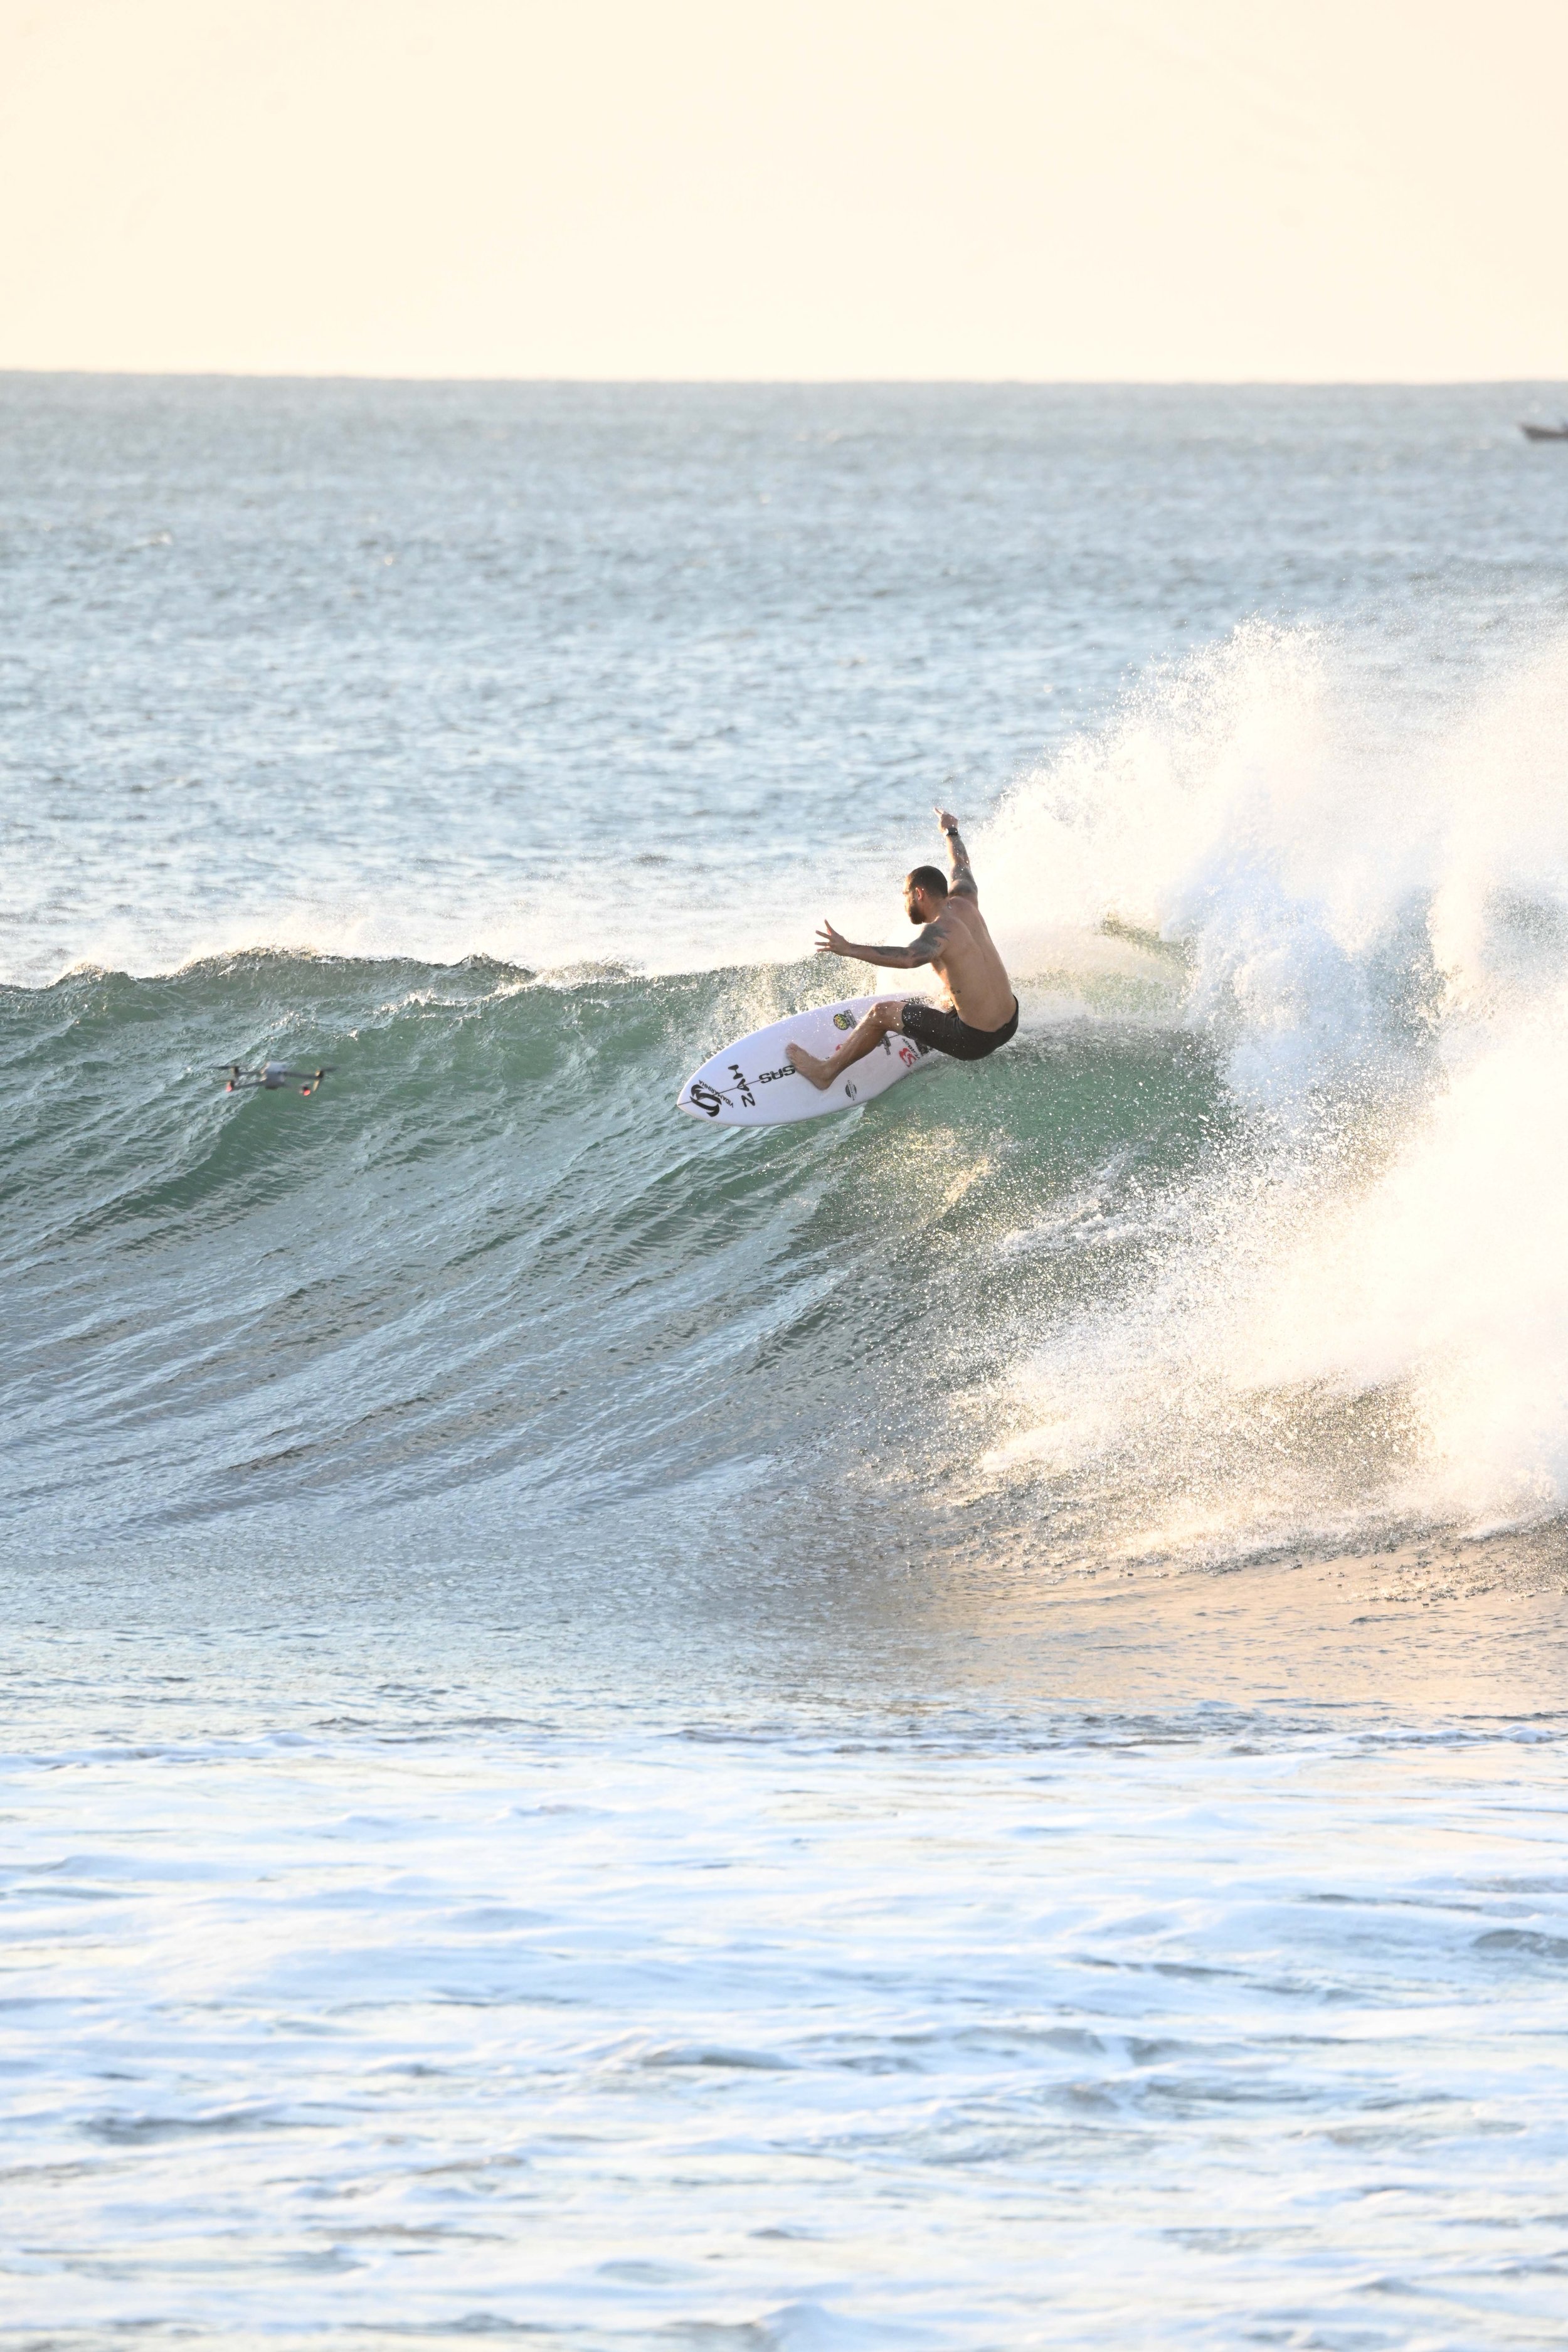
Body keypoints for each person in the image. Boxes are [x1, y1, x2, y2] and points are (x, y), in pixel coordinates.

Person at [788, 808, 1019, 1089]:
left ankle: (825, 1073)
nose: (905, 903)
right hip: (1010, 1022)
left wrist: (848, 948)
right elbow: (961, 863)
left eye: (906, 896)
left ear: (919, 894)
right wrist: (950, 831)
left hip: (974, 1040)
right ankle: (950, 1010)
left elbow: (909, 958)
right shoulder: (966, 898)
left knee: (880, 1013)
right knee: (948, 992)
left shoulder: (939, 930)